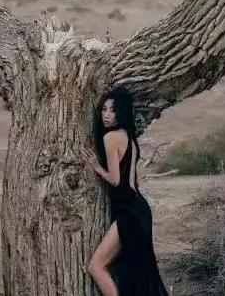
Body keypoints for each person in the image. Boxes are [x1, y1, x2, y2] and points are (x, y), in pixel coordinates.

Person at [82, 85, 169, 296]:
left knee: (96, 266)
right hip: (137, 209)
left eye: (112, 110)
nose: (106, 115)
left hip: (129, 211)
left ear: (121, 112)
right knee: (138, 274)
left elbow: (115, 179)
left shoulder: (110, 138)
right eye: (104, 109)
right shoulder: (129, 137)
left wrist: (96, 167)